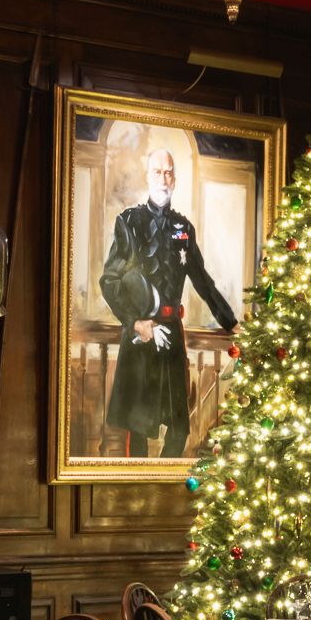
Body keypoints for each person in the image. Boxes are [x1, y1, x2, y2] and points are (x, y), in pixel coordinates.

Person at [98, 149, 238, 457]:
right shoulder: (129, 222)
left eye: (169, 172)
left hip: (172, 333)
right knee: (137, 429)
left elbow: (202, 280)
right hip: (139, 334)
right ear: (148, 176)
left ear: (175, 178)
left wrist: (231, 322)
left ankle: (161, 491)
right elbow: (109, 281)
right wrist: (135, 322)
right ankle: (139, 497)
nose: (165, 178)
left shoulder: (183, 229)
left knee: (179, 428)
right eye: (158, 172)